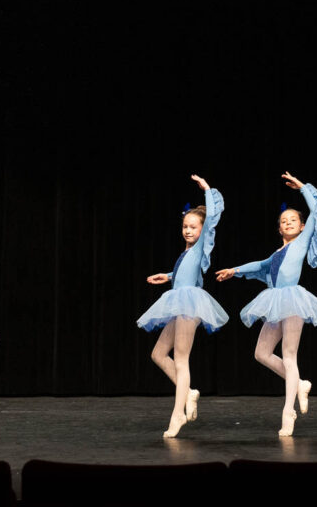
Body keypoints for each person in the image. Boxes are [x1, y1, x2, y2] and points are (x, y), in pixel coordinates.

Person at [216, 172, 317, 437]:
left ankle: (288, 412)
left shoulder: (301, 242)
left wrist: (302, 187)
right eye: (284, 221)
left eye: (293, 220)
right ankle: (299, 383)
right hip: (276, 300)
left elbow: (316, 209)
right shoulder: (277, 253)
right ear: (279, 229)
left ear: (302, 227)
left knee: (289, 355)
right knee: (261, 353)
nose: (288, 223)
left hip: (294, 300)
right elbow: (260, 265)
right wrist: (234, 270)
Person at [138, 175, 229, 438]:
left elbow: (213, 217)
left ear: (202, 230)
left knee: (180, 358)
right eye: (185, 226)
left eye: (193, 227)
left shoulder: (201, 246)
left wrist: (207, 189)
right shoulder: (186, 252)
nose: (188, 230)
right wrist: (167, 276)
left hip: (190, 304)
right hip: (179, 300)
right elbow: (188, 273)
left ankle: (178, 413)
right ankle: (188, 392)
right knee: (158, 354)